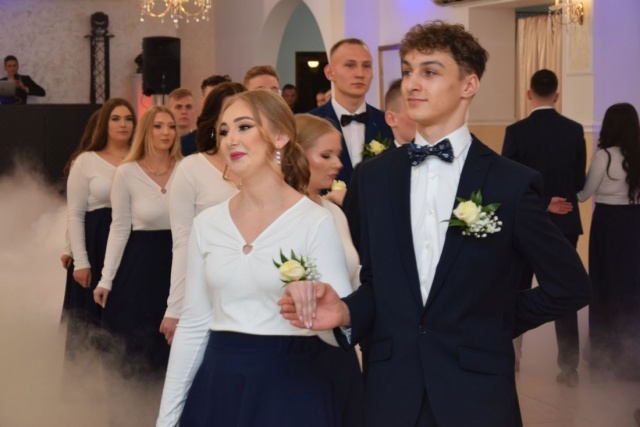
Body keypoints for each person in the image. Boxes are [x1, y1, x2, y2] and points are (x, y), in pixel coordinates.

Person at [279, 20, 591, 427]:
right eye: (408, 71)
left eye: (429, 72)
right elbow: (375, 283)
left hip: (477, 392)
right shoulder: (373, 179)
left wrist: (494, 320)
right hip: (391, 392)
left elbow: (570, 286)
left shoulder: (511, 183)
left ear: (468, 85)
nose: (412, 83)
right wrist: (345, 311)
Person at [156, 90, 353, 426]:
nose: (230, 139)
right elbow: (194, 325)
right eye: (224, 131)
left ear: (281, 136)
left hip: (291, 388)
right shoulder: (208, 223)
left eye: (244, 126)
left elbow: (341, 330)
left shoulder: (316, 221)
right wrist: (167, 420)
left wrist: (316, 305)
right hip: (219, 385)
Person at [502, 69, 586, 386]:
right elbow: (578, 181)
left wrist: (538, 201)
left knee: (517, 288)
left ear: (529, 94)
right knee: (563, 288)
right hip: (564, 220)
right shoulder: (574, 130)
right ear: (557, 95)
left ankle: (512, 357)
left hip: (523, 223)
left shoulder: (516, 131)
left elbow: (506, 182)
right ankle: (569, 367)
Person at [94, 105, 182, 379]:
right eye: (158, 126)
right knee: (138, 338)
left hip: (181, 259)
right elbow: (119, 227)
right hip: (141, 263)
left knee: (177, 342)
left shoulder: (187, 169)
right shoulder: (127, 172)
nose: (166, 132)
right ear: (146, 131)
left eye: (171, 126)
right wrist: (106, 279)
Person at [159, 82, 246, 345]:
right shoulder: (191, 169)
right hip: (207, 288)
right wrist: (175, 308)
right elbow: (182, 242)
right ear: (214, 120)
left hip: (258, 289)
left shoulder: (263, 167)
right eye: (227, 112)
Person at [296, 113, 364, 426]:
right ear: (296, 154)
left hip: (339, 347)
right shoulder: (278, 214)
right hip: (297, 350)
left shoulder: (335, 212)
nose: (338, 164)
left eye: (338, 155)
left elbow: (353, 275)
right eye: (326, 155)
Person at [64, 100, 135, 357]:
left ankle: (129, 374)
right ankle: (87, 379)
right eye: (115, 118)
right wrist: (81, 261)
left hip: (133, 243)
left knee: (126, 313)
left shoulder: (140, 159)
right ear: (104, 123)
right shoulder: (86, 161)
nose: (123, 124)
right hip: (95, 243)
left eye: (128, 118)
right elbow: (75, 214)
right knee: (90, 322)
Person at [577, 102, 640, 380]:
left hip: (608, 224)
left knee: (604, 284)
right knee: (632, 285)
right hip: (635, 223)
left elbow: (583, 195)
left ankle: (605, 354)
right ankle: (632, 354)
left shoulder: (604, 157)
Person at [309, 39, 393, 184]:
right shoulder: (310, 123)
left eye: (366, 66)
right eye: (350, 65)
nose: (360, 73)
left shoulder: (387, 123)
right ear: (330, 73)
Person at [167, 88, 197, 156]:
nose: (184, 112)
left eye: (188, 107)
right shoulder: (163, 142)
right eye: (178, 107)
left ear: (195, 111)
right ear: (169, 111)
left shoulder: (201, 143)